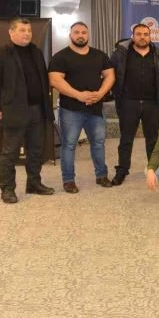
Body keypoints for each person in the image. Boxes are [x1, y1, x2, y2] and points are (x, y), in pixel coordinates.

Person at [0, 17, 54, 203]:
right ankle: (7, 189)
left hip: (37, 110)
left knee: (36, 151)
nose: (27, 34)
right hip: (12, 110)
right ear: (11, 32)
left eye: (29, 30)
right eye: (22, 30)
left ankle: (34, 183)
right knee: (10, 152)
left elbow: (42, 80)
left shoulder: (36, 52)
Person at [48, 21, 115, 193]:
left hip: (95, 109)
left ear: (88, 35)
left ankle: (101, 176)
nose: (80, 35)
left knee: (98, 143)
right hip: (71, 109)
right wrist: (78, 95)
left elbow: (110, 75)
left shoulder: (99, 55)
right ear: (70, 35)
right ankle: (68, 180)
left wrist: (100, 94)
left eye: (84, 32)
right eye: (76, 32)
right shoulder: (61, 57)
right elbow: (55, 80)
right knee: (69, 145)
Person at [110, 23, 159, 185]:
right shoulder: (120, 54)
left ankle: (154, 168)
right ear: (133, 36)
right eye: (139, 34)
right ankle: (122, 170)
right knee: (126, 139)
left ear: (150, 36)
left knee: (153, 139)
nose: (142, 37)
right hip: (128, 103)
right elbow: (110, 75)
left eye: (145, 34)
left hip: (152, 103)